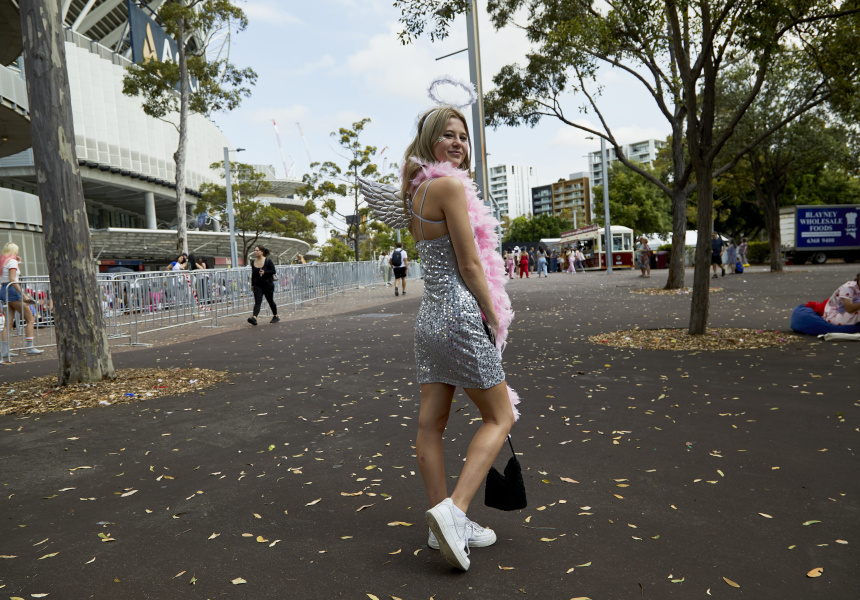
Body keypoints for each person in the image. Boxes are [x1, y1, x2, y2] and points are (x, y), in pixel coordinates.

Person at [400, 105, 516, 571]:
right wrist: (495, 316)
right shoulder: (448, 187)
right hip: (461, 318)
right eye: (448, 135)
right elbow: (470, 265)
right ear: (430, 140)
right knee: (501, 415)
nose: (458, 144)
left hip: (430, 319)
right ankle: (455, 510)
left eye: (463, 137)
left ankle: (440, 528)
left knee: (432, 423)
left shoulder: (417, 192)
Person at [0, 243, 44, 361]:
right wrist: (23, 294)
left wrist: (18, 263)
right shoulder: (12, 262)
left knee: (8, 323)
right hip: (13, 290)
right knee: (30, 319)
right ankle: (30, 346)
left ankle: (5, 350)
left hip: (4, 289)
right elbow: (13, 279)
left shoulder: (4, 262)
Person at [247, 245, 278, 325]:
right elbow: (253, 274)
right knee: (258, 301)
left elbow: (273, 271)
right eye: (255, 250)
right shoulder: (253, 262)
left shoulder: (268, 261)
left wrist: (265, 272)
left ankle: (275, 316)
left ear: (262, 251)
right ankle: (254, 318)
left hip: (268, 284)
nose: (255, 252)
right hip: (258, 285)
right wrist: (252, 284)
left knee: (270, 300)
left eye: (257, 250)